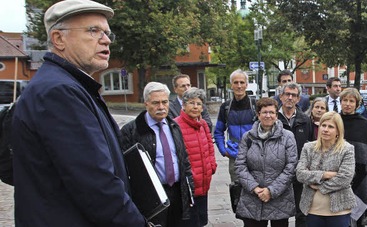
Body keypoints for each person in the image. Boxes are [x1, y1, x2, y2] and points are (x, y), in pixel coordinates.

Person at [10, 0, 146, 225]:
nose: (105, 40)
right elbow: (96, 185)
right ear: (58, 39)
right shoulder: (58, 92)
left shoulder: (72, 85)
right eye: (93, 31)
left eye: (107, 33)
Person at [120, 82, 195, 227]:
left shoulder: (174, 126)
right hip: (151, 198)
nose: (161, 107)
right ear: (146, 103)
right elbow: (124, 168)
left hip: (177, 194)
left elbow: (184, 160)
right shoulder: (131, 130)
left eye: (164, 102)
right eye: (156, 103)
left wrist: (189, 191)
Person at [235, 97, 297, 227]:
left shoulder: (287, 137)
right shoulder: (248, 137)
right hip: (253, 198)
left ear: (276, 115)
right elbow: (240, 165)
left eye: (271, 112)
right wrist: (255, 188)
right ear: (258, 115)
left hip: (280, 197)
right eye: (264, 112)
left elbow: (291, 167)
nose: (268, 115)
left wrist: (271, 191)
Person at [296, 111, 357, 227]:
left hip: (339, 210)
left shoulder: (347, 149)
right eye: (323, 125)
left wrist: (318, 186)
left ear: (338, 131)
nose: (325, 129)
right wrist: (325, 175)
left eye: (331, 127)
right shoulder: (308, 147)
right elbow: (300, 174)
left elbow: (345, 178)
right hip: (312, 210)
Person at [174, 88, 217, 227]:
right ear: (184, 105)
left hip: (204, 181)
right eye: (191, 103)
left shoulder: (203, 123)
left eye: (199, 104)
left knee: (201, 220)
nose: (195, 107)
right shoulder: (176, 125)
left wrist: (212, 165)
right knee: (189, 221)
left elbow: (210, 145)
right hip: (188, 184)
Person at [339, 88, 367, 227]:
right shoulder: (334, 121)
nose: (348, 104)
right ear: (340, 102)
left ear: (357, 104)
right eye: (345, 100)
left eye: (352, 101)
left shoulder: (364, 123)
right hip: (337, 175)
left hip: (360, 176)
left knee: (358, 218)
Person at [276, 82, 313, 227]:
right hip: (279, 174)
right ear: (281, 96)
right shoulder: (273, 118)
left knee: (302, 213)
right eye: (287, 94)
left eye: (294, 95)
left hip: (300, 174)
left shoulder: (305, 120)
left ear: (298, 99)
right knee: (280, 214)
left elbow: (311, 146)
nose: (290, 98)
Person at [214, 69, 256, 183]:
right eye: (236, 82)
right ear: (231, 85)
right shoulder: (226, 107)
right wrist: (223, 150)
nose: (239, 86)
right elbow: (218, 131)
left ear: (246, 85)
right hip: (235, 157)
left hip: (255, 156)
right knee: (236, 192)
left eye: (242, 82)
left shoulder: (255, 105)